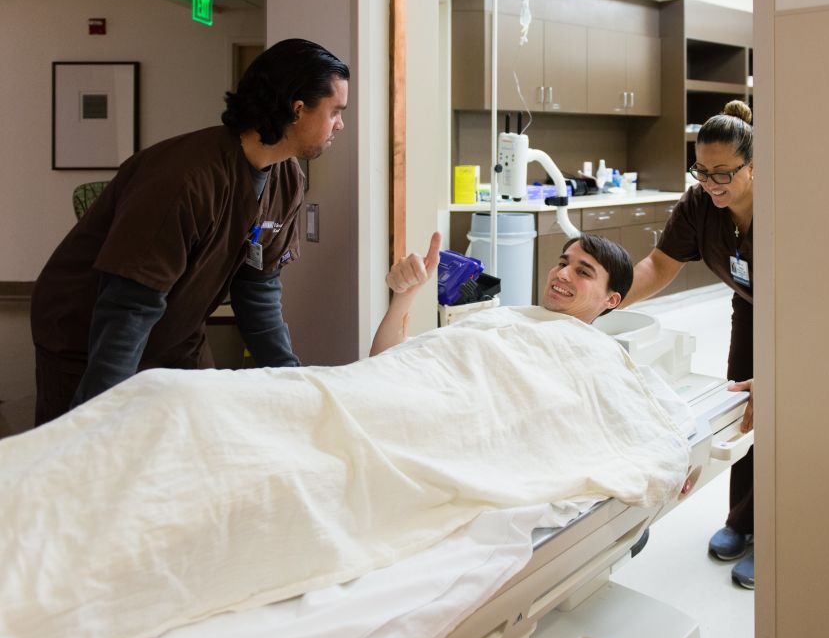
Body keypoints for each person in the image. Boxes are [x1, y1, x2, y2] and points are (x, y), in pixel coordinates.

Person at [30, 38, 349, 426]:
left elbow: (258, 287)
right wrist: (97, 416)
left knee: (193, 437)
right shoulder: (184, 177)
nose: (340, 124)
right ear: (298, 109)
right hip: (89, 335)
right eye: (335, 111)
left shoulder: (287, 180)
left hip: (177, 332)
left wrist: (292, 380)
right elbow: (130, 304)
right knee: (88, 455)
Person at [619, 99, 758, 589]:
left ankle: (783, 536)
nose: (712, 183)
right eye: (702, 170)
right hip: (752, 303)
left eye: (725, 173)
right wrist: (606, 300)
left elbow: (821, 296)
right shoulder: (700, 204)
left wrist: (785, 371)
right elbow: (657, 267)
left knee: (787, 411)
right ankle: (744, 522)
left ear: (754, 165)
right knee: (747, 408)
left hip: (803, 316)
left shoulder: (785, 206)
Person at [371, 231, 633, 355]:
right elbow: (383, 360)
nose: (562, 274)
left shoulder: (593, 354)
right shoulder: (508, 319)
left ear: (611, 299)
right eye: (563, 264)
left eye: (584, 272)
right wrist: (404, 295)